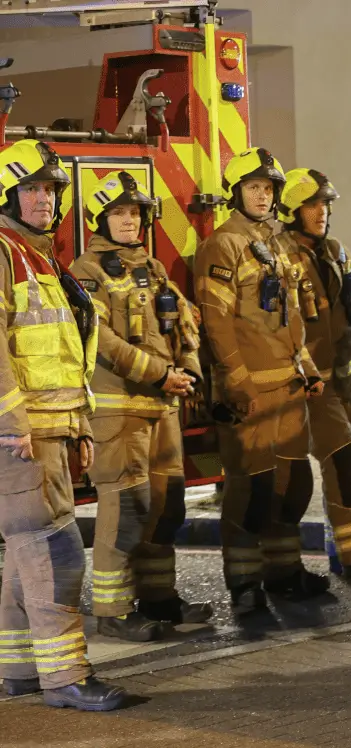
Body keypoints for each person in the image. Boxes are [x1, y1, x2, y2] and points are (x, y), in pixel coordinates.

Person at [0, 139, 126, 710]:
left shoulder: (40, 255)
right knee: (54, 551)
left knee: (26, 548)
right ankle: (66, 679)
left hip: (52, 426)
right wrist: (11, 423)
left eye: (51, 189)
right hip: (23, 435)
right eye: (31, 188)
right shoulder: (5, 252)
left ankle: (21, 670)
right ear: (8, 195)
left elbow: (60, 348)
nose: (43, 199)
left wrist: (78, 424)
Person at [70, 171, 213, 641]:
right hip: (119, 412)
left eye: (135, 212)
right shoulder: (84, 272)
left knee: (166, 508)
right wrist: (159, 373)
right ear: (101, 219)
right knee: (126, 509)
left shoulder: (152, 268)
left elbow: (184, 322)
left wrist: (188, 367)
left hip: (162, 409)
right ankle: (113, 611)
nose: (130, 220)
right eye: (119, 213)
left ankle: (159, 598)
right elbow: (101, 340)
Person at [194, 147, 327, 615]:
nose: (263, 195)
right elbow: (217, 321)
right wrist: (235, 379)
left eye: (268, 189)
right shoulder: (222, 244)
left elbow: (291, 315)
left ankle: (285, 573)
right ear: (236, 193)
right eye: (254, 187)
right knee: (250, 492)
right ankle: (246, 584)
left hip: (288, 388)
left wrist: (306, 366)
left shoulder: (277, 241)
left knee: (292, 488)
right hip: (249, 392)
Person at [274, 167, 351, 584]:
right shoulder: (276, 257)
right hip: (310, 385)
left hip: (349, 382)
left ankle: (348, 556)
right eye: (311, 204)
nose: (321, 212)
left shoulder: (339, 252)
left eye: (325, 204)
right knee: (336, 469)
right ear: (291, 209)